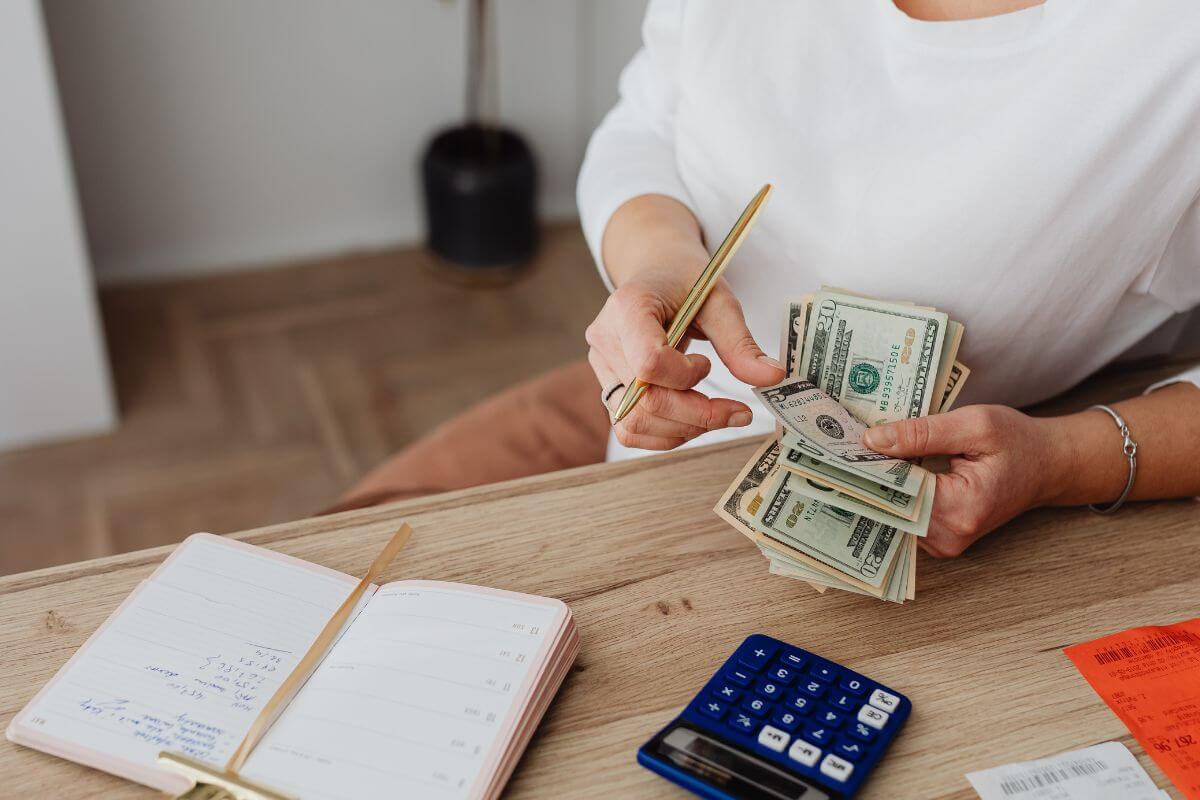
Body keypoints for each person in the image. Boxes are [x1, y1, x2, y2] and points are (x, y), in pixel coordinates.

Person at [333, 0, 1200, 559]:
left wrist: (1063, 462)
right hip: (651, 454)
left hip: (935, 544)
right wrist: (654, 259)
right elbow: (646, 124)